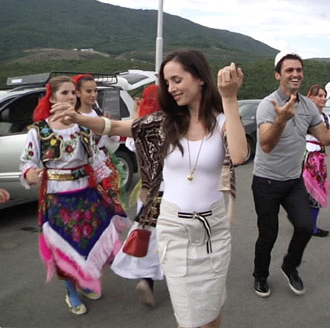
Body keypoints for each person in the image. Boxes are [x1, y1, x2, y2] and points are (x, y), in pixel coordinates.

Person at [51, 49, 248, 328]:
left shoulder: (222, 121)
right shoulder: (163, 124)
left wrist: (229, 98)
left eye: (177, 80)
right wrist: (80, 119)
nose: (172, 88)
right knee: (189, 318)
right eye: (167, 83)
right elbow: (116, 125)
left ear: (200, 78)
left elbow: (239, 155)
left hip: (212, 233)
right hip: (174, 232)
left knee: (211, 309)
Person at [252, 51, 330, 298]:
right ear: (278, 75)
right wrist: (281, 120)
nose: (295, 74)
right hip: (266, 181)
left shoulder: (309, 105)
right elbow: (266, 145)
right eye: (289, 70)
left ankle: (290, 266)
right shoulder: (268, 105)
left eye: (299, 70)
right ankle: (260, 275)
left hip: (292, 180)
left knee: (306, 225)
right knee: (268, 234)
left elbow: (324, 138)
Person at [20, 76, 130, 315]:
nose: (70, 97)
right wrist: (30, 174)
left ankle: (83, 279)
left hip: (87, 194)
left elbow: (97, 158)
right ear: (52, 98)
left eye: (72, 93)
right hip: (57, 198)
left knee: (87, 241)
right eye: (64, 93)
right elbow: (27, 162)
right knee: (64, 246)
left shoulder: (83, 127)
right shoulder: (40, 131)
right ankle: (70, 289)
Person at [111, 84, 164, 308]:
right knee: (168, 237)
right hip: (169, 191)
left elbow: (131, 138)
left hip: (146, 190)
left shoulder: (140, 130)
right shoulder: (168, 126)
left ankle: (146, 279)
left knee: (146, 234)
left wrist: (136, 113)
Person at [74, 74, 123, 201]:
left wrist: (110, 129)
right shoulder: (75, 117)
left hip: (105, 162)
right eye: (88, 91)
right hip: (86, 166)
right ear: (78, 93)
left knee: (111, 202)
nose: (93, 94)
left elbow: (113, 139)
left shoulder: (98, 112)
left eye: (95, 90)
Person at [302, 84, 330, 237]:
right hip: (308, 157)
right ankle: (308, 226)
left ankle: (310, 225)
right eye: (319, 95)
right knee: (308, 192)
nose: (323, 98)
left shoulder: (325, 117)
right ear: (311, 97)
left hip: (320, 158)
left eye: (324, 95)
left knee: (314, 193)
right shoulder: (306, 115)